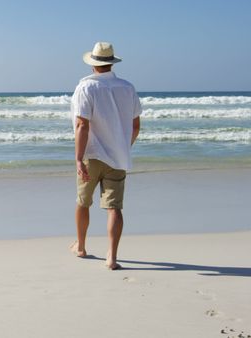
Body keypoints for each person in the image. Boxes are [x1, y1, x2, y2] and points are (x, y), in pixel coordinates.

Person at [69, 42, 141, 270]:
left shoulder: (86, 88)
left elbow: (82, 124)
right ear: (111, 63)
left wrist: (79, 158)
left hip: (91, 154)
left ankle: (80, 246)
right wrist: (123, 146)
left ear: (93, 65)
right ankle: (112, 257)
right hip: (117, 157)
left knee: (83, 202)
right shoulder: (127, 88)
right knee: (115, 208)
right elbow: (136, 125)